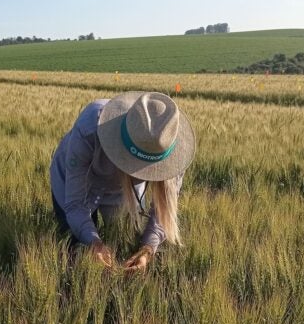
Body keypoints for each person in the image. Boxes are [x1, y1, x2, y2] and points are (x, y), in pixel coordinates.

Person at [50, 91, 196, 272]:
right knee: (75, 245)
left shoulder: (170, 148)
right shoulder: (89, 129)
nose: (143, 173)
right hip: (73, 179)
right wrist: (93, 242)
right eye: (138, 166)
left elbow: (163, 211)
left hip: (121, 190)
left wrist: (147, 249)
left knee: (122, 240)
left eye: (149, 170)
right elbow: (75, 204)